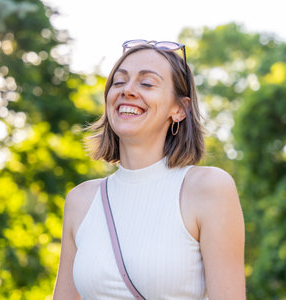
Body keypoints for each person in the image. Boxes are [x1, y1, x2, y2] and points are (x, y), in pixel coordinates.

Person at [53, 40, 245, 299]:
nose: (128, 90)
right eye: (119, 82)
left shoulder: (208, 187)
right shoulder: (81, 200)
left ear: (179, 109)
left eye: (146, 83)